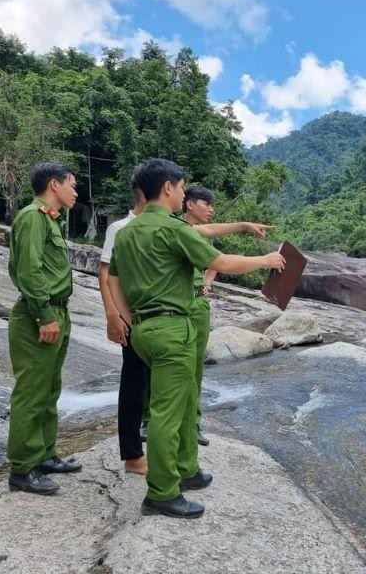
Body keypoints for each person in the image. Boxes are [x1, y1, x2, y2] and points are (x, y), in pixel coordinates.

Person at [107, 158, 284, 518]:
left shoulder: (127, 232)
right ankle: (160, 492)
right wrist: (266, 260)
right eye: (183, 187)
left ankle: (186, 469)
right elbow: (222, 262)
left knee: (186, 400)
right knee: (167, 413)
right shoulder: (173, 229)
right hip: (172, 328)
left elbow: (116, 280)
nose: (185, 193)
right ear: (168, 188)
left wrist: (130, 320)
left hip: (145, 328)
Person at [6, 162, 80, 495]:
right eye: (72, 185)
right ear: (54, 184)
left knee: (50, 390)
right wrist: (43, 315)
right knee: (32, 393)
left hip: (57, 313)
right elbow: (28, 270)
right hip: (41, 315)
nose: (75, 191)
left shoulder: (50, 219)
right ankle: (22, 468)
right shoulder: (32, 217)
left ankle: (45, 454)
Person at [181, 185, 274, 446]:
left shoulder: (193, 231)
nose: (211, 209)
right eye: (206, 203)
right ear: (188, 203)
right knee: (179, 369)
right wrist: (265, 260)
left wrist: (207, 283)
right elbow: (219, 257)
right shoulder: (176, 227)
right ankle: (163, 423)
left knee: (195, 367)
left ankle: (191, 422)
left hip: (197, 300)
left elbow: (211, 260)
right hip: (180, 305)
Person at [99, 178, 149, 475]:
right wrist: (112, 315)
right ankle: (132, 455)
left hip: (155, 320)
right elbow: (105, 274)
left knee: (152, 386)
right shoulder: (119, 229)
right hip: (131, 319)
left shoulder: (164, 227)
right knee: (133, 385)